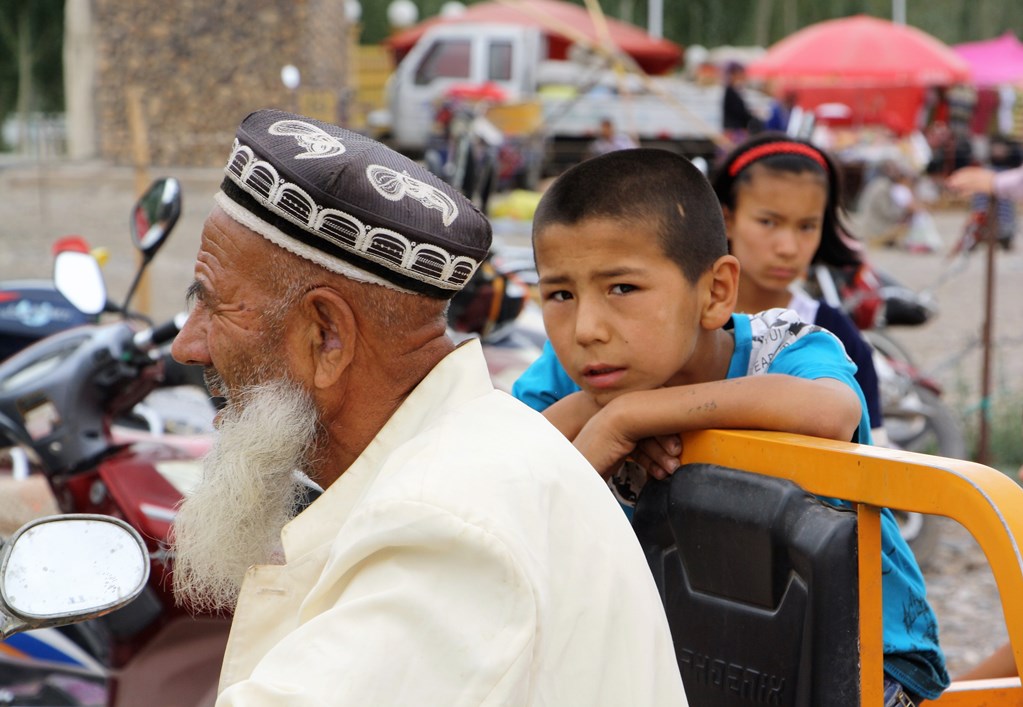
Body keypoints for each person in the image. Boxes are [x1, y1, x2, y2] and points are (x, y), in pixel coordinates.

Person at [169, 109, 687, 705]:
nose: (188, 345)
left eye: (214, 306)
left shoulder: (446, 522)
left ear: (326, 337)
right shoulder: (458, 459)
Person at [510, 148, 950, 705]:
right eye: (560, 295)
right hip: (684, 654)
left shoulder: (783, 345)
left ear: (716, 292)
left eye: (621, 288)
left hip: (858, 656)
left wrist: (633, 413)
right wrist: (587, 413)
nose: (587, 328)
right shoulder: (569, 373)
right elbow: (509, 476)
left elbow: (832, 412)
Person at [710, 132, 885, 441]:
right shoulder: (689, 324)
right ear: (728, 219)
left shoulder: (837, 335)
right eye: (768, 222)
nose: (788, 248)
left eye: (806, 226)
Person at [721, 62, 759, 143]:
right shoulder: (730, 91)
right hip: (734, 131)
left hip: (736, 129)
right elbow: (738, 111)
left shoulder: (735, 91)